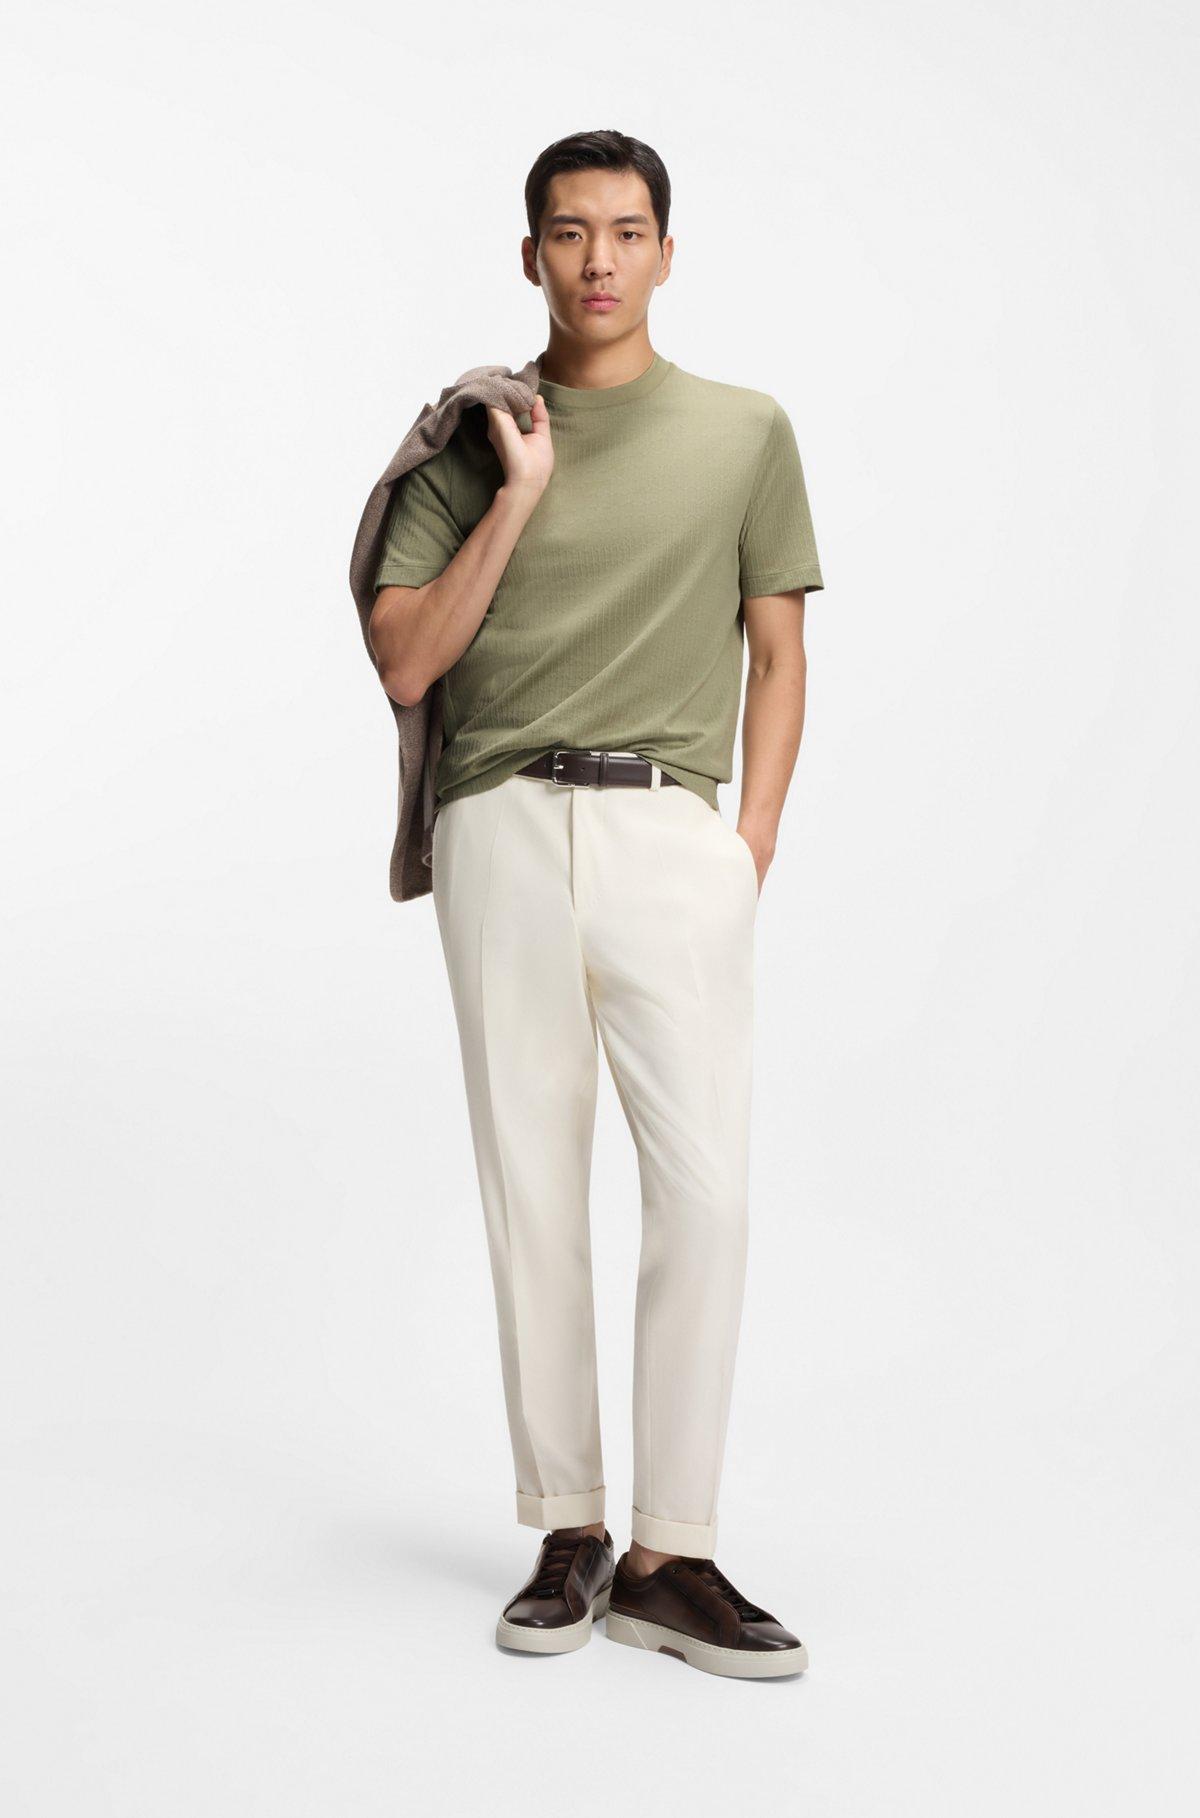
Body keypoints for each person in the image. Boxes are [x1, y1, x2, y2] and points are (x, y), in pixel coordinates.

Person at [366, 129, 824, 1680]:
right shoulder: (469, 440)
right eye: (570, 232)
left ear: (667, 253)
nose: (600, 259)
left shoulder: (746, 432)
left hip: (668, 831)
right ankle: (569, 1530)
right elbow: (406, 659)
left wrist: (746, 846)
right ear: (531, 256)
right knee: (533, 1189)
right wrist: (518, 492)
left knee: (708, 1194)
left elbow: (780, 651)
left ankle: (670, 1552)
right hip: (500, 824)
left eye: (627, 231)